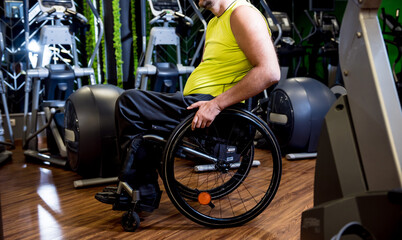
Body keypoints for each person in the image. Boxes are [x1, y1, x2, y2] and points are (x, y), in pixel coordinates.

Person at [96, 0, 280, 212]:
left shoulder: (242, 14)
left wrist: (217, 105)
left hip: (220, 116)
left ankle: (142, 190)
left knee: (130, 102)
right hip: (200, 103)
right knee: (142, 116)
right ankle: (139, 188)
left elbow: (270, 71)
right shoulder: (214, 22)